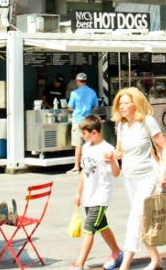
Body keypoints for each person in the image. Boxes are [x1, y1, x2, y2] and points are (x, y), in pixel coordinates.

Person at [111, 89, 166, 270]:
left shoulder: (147, 121)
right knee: (142, 219)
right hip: (128, 177)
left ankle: (124, 266)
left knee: (134, 219)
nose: (121, 107)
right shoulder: (121, 125)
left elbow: (164, 147)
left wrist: (164, 172)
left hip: (147, 177)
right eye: (120, 103)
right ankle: (156, 259)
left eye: (125, 103)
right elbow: (120, 152)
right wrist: (109, 155)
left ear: (136, 104)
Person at [71, 115, 123, 270]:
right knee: (102, 226)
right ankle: (117, 253)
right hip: (89, 195)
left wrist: (112, 161)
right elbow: (84, 170)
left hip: (101, 195)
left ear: (94, 132)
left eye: (84, 133)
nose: (82, 136)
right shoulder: (86, 148)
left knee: (89, 228)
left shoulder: (107, 149)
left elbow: (116, 173)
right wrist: (78, 192)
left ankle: (79, 264)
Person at [68, 73, 100, 174]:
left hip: (77, 120)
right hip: (88, 120)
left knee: (78, 144)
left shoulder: (74, 93)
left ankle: (76, 167)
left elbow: (70, 107)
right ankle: (90, 165)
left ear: (78, 81)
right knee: (89, 143)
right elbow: (96, 107)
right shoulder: (92, 92)